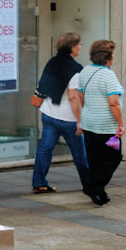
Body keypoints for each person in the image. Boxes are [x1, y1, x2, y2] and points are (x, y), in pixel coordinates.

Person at [31, 32, 90, 194]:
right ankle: (89, 184)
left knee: (45, 149)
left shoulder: (53, 62)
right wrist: (79, 121)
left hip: (49, 114)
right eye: (79, 44)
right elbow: (73, 98)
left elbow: (44, 84)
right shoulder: (75, 69)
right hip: (67, 118)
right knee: (79, 153)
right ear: (72, 47)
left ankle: (39, 182)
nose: (80, 47)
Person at [77, 40, 124, 206]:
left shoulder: (85, 71)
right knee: (113, 158)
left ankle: (100, 193)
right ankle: (93, 186)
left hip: (89, 123)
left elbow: (80, 96)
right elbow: (114, 103)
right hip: (107, 127)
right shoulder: (108, 75)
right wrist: (121, 124)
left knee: (95, 158)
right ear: (108, 58)